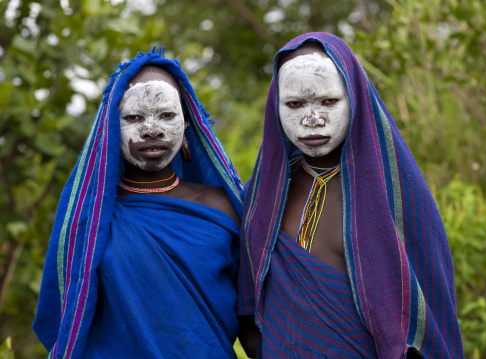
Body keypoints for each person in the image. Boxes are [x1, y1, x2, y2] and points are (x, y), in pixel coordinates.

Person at [237, 33, 463, 358]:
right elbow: (249, 306)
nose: (312, 119)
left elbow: (423, 317)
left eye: (328, 101)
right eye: (295, 104)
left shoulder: (394, 195)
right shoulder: (264, 197)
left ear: (354, 98)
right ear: (276, 108)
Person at [33, 48, 244, 358]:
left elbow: (257, 312)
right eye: (133, 117)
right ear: (113, 128)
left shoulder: (223, 207)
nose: (151, 130)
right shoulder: (93, 220)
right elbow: (64, 319)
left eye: (166, 115)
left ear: (187, 122)